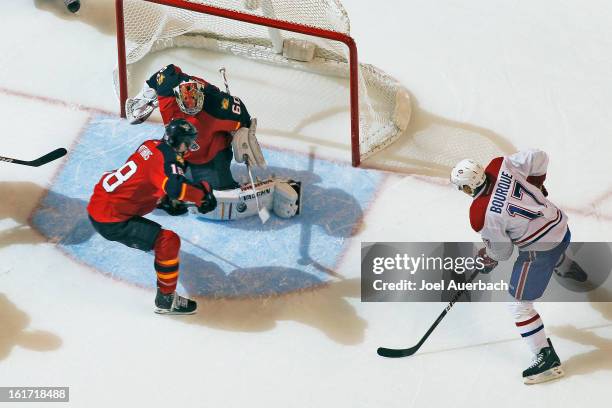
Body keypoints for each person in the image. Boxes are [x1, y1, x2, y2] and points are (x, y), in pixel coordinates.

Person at [450, 149, 587, 384]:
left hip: (542, 250)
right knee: (549, 242)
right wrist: (537, 184)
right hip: (562, 227)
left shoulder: (480, 214)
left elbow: (502, 251)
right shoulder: (499, 164)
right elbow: (540, 156)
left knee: (518, 306)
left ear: (467, 188)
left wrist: (488, 258)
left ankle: (547, 359)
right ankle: (565, 266)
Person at [125, 64, 301, 221]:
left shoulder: (217, 106)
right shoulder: (167, 92)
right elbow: (166, 72)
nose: (192, 109)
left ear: (201, 97)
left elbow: (241, 112)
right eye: (186, 104)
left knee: (215, 194)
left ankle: (281, 187)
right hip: (176, 144)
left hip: (209, 154)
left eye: (196, 104)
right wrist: (145, 95)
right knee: (153, 178)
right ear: (177, 96)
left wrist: (244, 133)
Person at [87, 119, 217, 315]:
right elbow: (176, 188)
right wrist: (202, 197)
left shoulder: (150, 145)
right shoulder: (169, 160)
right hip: (111, 220)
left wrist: (162, 200)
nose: (189, 147)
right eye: (187, 143)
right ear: (179, 142)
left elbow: (145, 176)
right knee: (168, 242)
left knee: (156, 199)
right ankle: (166, 300)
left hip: (100, 200)